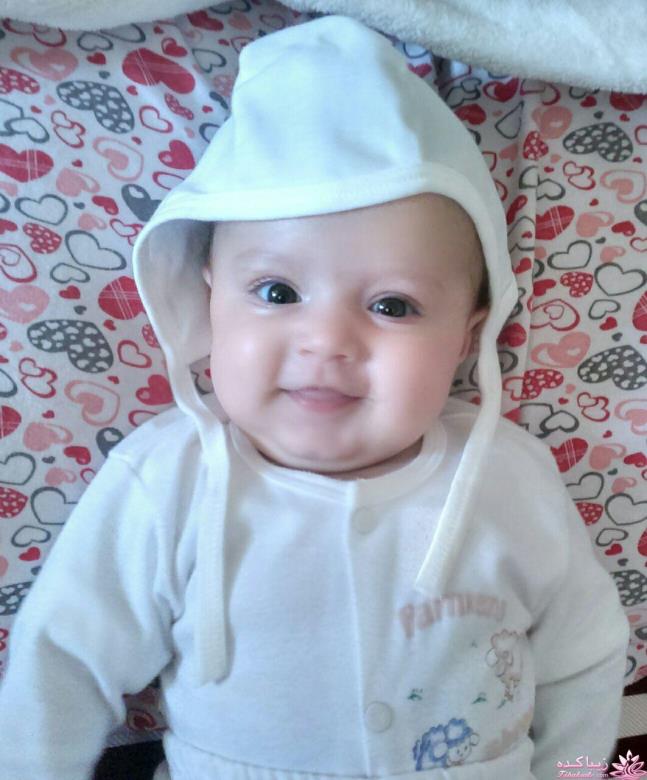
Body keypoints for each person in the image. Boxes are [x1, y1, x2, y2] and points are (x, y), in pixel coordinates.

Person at [0, 14, 629, 780]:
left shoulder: (509, 477)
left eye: (393, 305)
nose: (327, 341)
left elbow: (583, 658)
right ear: (208, 300)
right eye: (277, 292)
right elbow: (61, 664)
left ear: (467, 338)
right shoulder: (166, 481)